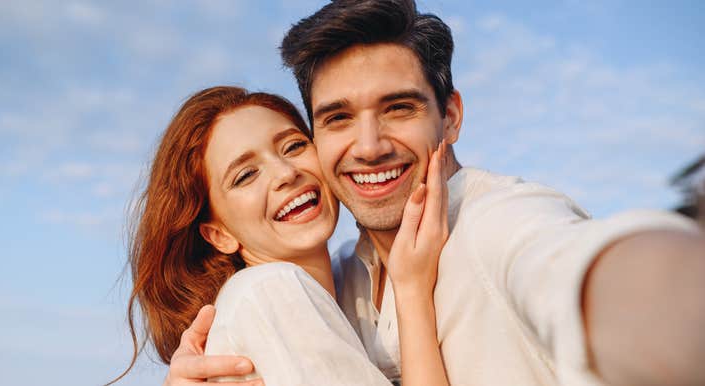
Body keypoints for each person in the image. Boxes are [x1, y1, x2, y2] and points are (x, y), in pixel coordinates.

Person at [171, 1, 705, 385]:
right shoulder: (330, 279)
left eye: (399, 108)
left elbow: (577, 268)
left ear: (449, 117)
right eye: (338, 118)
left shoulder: (493, 219)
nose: (369, 145)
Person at [111, 86, 454, 386]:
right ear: (219, 235)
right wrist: (412, 292)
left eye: (292, 146)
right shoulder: (271, 290)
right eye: (246, 175)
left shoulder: (344, 279)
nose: (286, 173)